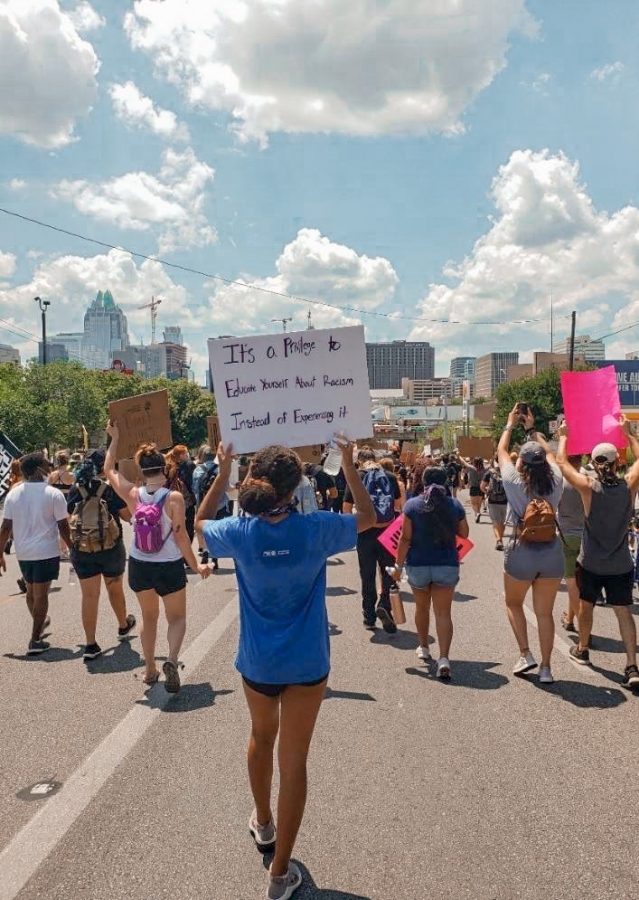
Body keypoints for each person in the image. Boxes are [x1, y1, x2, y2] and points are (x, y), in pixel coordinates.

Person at [195, 440, 376, 900]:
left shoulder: (238, 531)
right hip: (308, 661)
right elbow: (369, 518)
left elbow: (198, 525)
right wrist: (350, 466)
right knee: (294, 762)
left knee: (260, 736)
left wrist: (221, 472)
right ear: (296, 487)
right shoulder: (315, 528)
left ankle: (262, 822)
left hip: (258, 660)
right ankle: (279, 875)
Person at [105, 423, 210, 692]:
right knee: (176, 617)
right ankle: (172, 660)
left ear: (141, 469)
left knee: (148, 617)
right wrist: (196, 566)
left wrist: (114, 439)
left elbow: (109, 470)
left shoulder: (132, 494)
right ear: (164, 468)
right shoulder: (173, 498)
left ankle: (150, 669)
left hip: (140, 565)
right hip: (168, 565)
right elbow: (181, 537)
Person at [557, 421, 639, 688]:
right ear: (617, 463)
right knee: (623, 612)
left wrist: (564, 437)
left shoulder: (589, 487)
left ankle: (582, 647)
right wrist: (629, 434)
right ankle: (631, 665)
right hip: (621, 563)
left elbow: (562, 464)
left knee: (586, 606)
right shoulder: (628, 486)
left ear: (593, 461)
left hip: (591, 561)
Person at [497, 405, 564, 684]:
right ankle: (547, 668)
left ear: (521, 463)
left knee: (513, 603)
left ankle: (526, 653)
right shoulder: (557, 480)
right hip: (551, 551)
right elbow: (550, 453)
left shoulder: (513, 481)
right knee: (545, 613)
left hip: (521, 549)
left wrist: (510, 424)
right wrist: (532, 430)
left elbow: (501, 451)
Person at [391, 467, 468, 679]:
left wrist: (398, 566)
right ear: (446, 481)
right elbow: (464, 533)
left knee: (421, 608)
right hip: (446, 563)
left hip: (418, 564)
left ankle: (424, 647)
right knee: (443, 613)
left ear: (423, 482)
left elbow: (405, 539)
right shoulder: (454, 505)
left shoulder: (412, 505)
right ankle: (444, 658)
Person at [66, 449, 136, 660]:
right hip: (110, 546)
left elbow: (71, 517)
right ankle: (123, 626)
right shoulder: (109, 489)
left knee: (89, 596)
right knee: (114, 587)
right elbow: (126, 516)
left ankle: (90, 644)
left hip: (83, 548)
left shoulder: (75, 489)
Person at [0, 452, 72, 654]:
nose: (49, 469)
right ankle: (35, 640)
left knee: (31, 594)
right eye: (46, 465)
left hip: (24, 554)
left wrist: (0, 554)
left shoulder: (13, 494)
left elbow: (5, 528)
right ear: (37, 470)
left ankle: (40, 623)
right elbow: (63, 526)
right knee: (40, 596)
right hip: (46, 552)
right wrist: (73, 549)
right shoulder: (53, 494)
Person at [343, 447, 402, 633]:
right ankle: (385, 604)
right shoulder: (391, 477)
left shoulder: (357, 477)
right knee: (388, 572)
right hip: (388, 531)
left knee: (367, 575)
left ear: (359, 461)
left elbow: (346, 508)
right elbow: (399, 506)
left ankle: (369, 617)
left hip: (365, 532)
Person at [556, 453, 585, 634]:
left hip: (567, 535)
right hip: (587, 536)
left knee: (572, 582)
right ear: (581, 460)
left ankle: (583, 627)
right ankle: (569, 618)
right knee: (578, 582)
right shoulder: (587, 480)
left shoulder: (561, 482)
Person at [165, 444, 197, 548]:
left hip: (172, 501)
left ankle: (177, 551)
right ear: (182, 454)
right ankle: (185, 554)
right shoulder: (189, 465)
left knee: (175, 527)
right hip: (187, 502)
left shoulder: (168, 466)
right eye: (186, 452)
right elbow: (193, 483)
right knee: (188, 528)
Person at [481, 460, 508, 550]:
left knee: (495, 522)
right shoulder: (507, 471)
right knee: (502, 522)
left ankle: (499, 540)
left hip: (492, 500)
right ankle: (500, 538)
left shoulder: (489, 473)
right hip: (504, 501)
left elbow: (482, 486)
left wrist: (487, 492)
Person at [461, 456, 486, 522]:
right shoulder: (484, 469)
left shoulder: (471, 468)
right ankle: (477, 514)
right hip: (481, 487)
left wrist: (459, 456)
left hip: (473, 487)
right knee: (479, 503)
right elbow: (491, 464)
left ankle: (477, 513)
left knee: (473, 503)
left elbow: (464, 462)